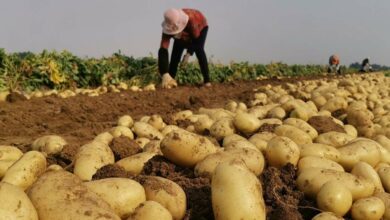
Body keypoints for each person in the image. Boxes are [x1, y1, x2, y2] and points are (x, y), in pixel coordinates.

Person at [158, 8, 210, 88]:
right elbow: (163, 48)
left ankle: (207, 81)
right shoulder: (168, 26)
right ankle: (170, 79)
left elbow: (196, 41)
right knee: (175, 53)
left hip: (200, 27)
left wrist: (188, 54)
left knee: (199, 50)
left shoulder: (192, 19)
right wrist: (164, 73)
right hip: (182, 31)